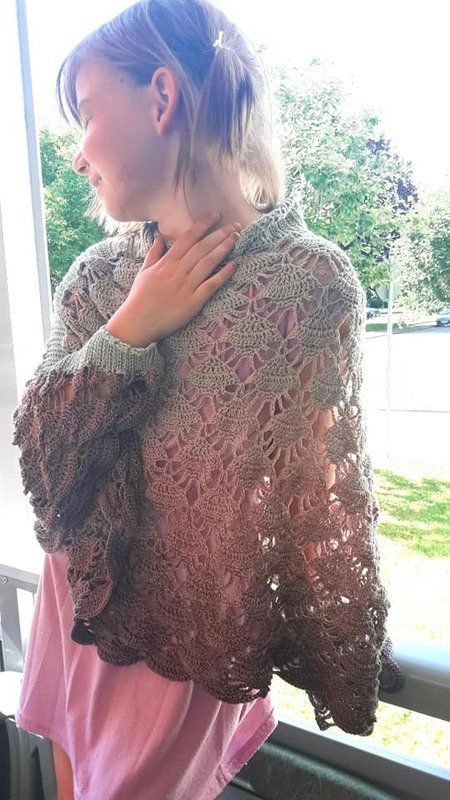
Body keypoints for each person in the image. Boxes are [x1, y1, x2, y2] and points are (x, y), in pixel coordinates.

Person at [13, 1, 401, 798]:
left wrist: (341, 646)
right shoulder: (96, 281)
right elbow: (46, 471)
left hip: (188, 640)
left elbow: (320, 492)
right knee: (67, 780)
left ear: (162, 97)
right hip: (74, 600)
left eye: (86, 115)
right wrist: (132, 327)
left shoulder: (311, 285)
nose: (77, 155)